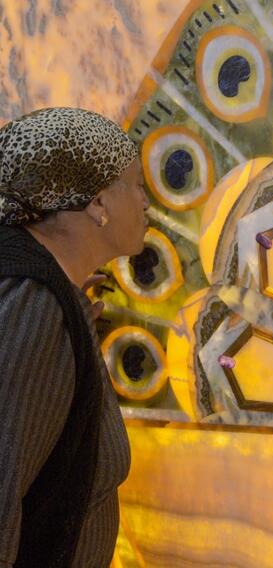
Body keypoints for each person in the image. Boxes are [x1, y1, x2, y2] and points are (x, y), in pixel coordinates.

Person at [0, 108, 149, 567]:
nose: (146, 202)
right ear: (98, 204)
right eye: (137, 185)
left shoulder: (50, 293)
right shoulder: (34, 301)